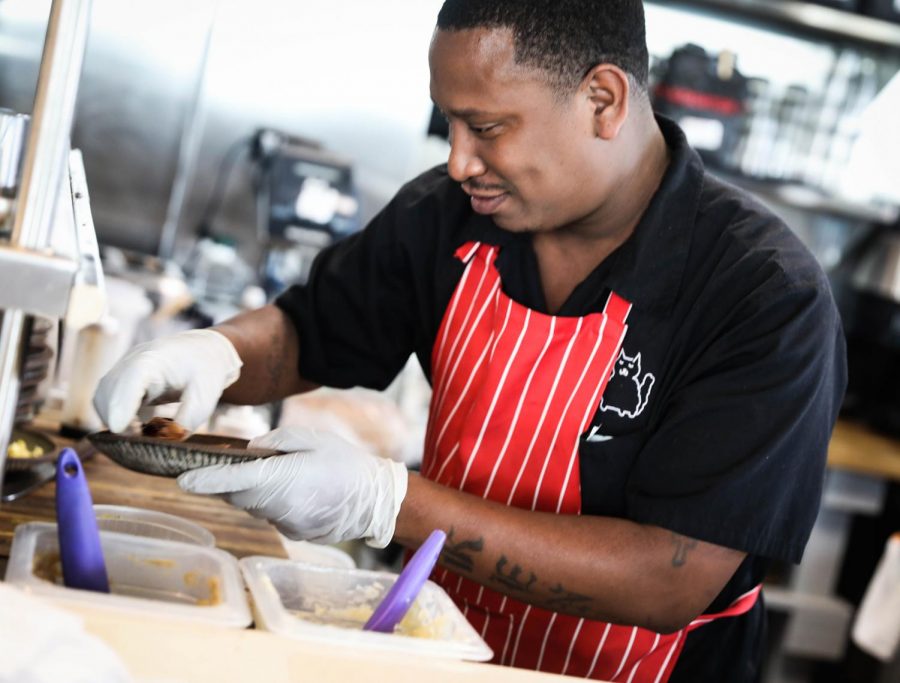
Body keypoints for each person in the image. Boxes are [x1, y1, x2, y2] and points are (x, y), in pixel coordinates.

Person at [93, 1, 847, 681]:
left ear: (603, 100)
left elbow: (671, 578)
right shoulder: (450, 217)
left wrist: (385, 502)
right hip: (433, 653)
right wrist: (211, 353)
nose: (458, 161)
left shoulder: (763, 295)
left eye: (485, 127)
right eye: (446, 124)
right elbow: (308, 328)